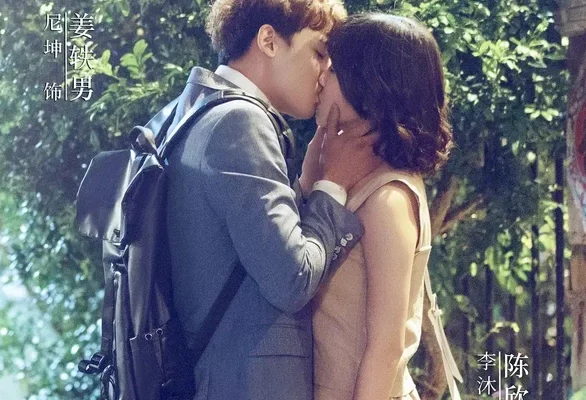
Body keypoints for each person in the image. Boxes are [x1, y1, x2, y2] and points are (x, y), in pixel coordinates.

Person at [163, 1, 378, 399]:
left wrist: (308, 185)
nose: (326, 72)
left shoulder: (192, 110)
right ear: (269, 40)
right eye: (319, 53)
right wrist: (333, 184)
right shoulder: (239, 122)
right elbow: (292, 279)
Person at [299, 13, 457, 400]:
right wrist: (313, 173)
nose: (320, 77)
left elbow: (386, 348)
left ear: (368, 87)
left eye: (333, 69)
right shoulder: (343, 175)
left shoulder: (388, 199)